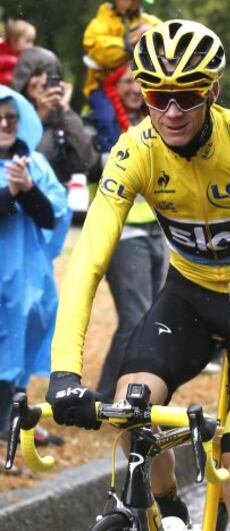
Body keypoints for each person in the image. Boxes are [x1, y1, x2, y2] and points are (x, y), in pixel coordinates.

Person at [46, 20, 230, 529]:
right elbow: (89, 258)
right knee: (131, 410)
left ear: (213, 91)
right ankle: (172, 511)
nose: (172, 112)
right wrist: (65, 372)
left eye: (187, 95)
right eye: (158, 97)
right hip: (191, 295)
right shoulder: (134, 151)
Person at [0, 85, 70, 454]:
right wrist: (11, 193)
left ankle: (14, 426)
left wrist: (25, 188)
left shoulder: (33, 165)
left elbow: (51, 216)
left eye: (11, 117)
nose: (5, 124)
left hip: (29, 280)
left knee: (21, 350)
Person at [95, 64, 167, 402]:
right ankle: (107, 394)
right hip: (124, 234)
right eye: (125, 82)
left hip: (157, 230)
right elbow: (92, 163)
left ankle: (135, 393)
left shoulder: (158, 120)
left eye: (139, 83)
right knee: (135, 317)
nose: (134, 89)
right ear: (112, 85)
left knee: (153, 316)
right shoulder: (99, 118)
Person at [82, 0, 160, 153]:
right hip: (101, 87)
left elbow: (171, 36)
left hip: (144, 83)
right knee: (106, 118)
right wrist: (129, 43)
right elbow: (99, 51)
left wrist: (152, 36)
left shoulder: (148, 21)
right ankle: (113, 157)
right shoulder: (100, 23)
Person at [11, 46, 97, 185]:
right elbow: (15, 158)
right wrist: (40, 116)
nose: (44, 80)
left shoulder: (64, 118)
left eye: (50, 74)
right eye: (37, 73)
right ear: (23, 77)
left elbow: (86, 162)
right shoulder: (8, 116)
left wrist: (65, 109)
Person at [0, 19, 36, 86]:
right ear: (14, 39)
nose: (31, 45)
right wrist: (12, 61)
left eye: (32, 41)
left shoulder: (23, 55)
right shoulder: (2, 47)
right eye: (27, 41)